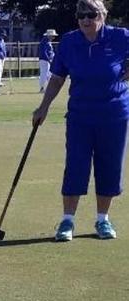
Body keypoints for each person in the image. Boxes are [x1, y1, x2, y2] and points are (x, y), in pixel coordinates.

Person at [32, 0, 129, 242]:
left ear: (103, 15)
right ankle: (67, 221)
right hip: (80, 115)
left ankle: (102, 220)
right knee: (76, 165)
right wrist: (43, 107)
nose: (86, 19)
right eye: (81, 15)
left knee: (109, 167)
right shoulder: (69, 42)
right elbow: (57, 78)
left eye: (91, 14)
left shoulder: (120, 37)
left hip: (114, 114)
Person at [38, 29, 58, 93]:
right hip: (45, 60)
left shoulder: (48, 42)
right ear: (49, 36)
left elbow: (50, 52)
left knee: (49, 74)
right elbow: (44, 52)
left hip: (48, 60)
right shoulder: (45, 42)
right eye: (52, 36)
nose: (53, 37)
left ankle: (48, 87)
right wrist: (48, 59)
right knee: (44, 74)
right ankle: (42, 88)